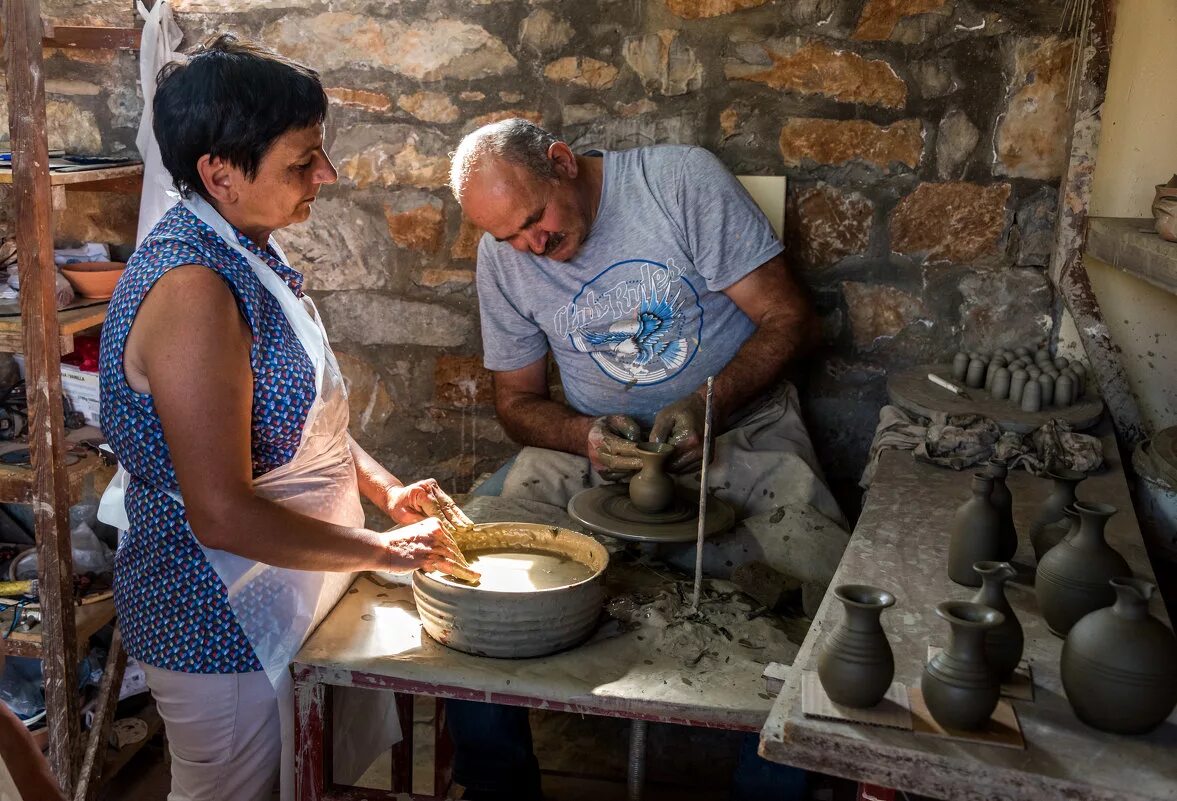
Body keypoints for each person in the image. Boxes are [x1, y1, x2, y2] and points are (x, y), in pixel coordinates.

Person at [97, 34, 473, 801]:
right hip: (216, 616)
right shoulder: (195, 288)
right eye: (302, 161)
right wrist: (382, 550)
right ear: (219, 173)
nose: (325, 176)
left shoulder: (241, 248)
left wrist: (381, 489)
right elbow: (222, 514)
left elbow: (299, 420)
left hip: (282, 589)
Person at [445, 120, 849, 799]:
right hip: (598, 453)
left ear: (562, 163)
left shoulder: (678, 182)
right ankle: (498, 787)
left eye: (534, 221)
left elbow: (791, 320)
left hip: (739, 434)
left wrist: (705, 404)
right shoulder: (505, 255)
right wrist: (583, 438)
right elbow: (515, 402)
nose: (530, 246)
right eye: (507, 236)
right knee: (466, 578)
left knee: (831, 615)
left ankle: (767, 792)